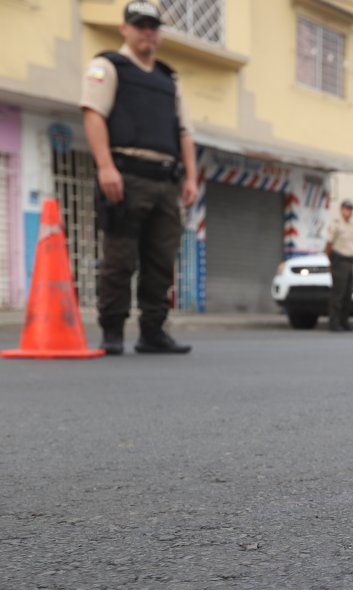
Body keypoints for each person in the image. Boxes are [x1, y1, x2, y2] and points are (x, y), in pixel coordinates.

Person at [82, 1, 197, 355]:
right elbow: (94, 114)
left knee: (161, 259)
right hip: (126, 174)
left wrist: (191, 178)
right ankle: (113, 331)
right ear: (125, 29)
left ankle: (153, 330)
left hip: (165, 179)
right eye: (140, 25)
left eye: (153, 26)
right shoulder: (107, 66)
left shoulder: (167, 80)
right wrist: (105, 166)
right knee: (120, 258)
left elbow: (184, 133)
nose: (148, 31)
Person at [326, 199, 353, 332]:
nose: (348, 212)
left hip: (350, 262)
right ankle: (334, 322)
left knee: (348, 294)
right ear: (341, 210)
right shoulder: (336, 225)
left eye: (350, 209)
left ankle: (344, 321)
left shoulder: (352, 226)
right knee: (338, 294)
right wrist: (331, 262)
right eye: (346, 209)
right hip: (340, 261)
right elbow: (328, 245)